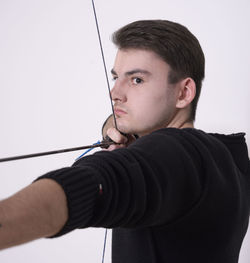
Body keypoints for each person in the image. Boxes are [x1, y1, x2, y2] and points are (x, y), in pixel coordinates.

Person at [0, 20, 250, 263]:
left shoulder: (177, 153)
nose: (115, 93)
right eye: (116, 77)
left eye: (137, 80)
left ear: (184, 93)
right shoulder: (222, 159)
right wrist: (117, 128)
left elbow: (98, 185)